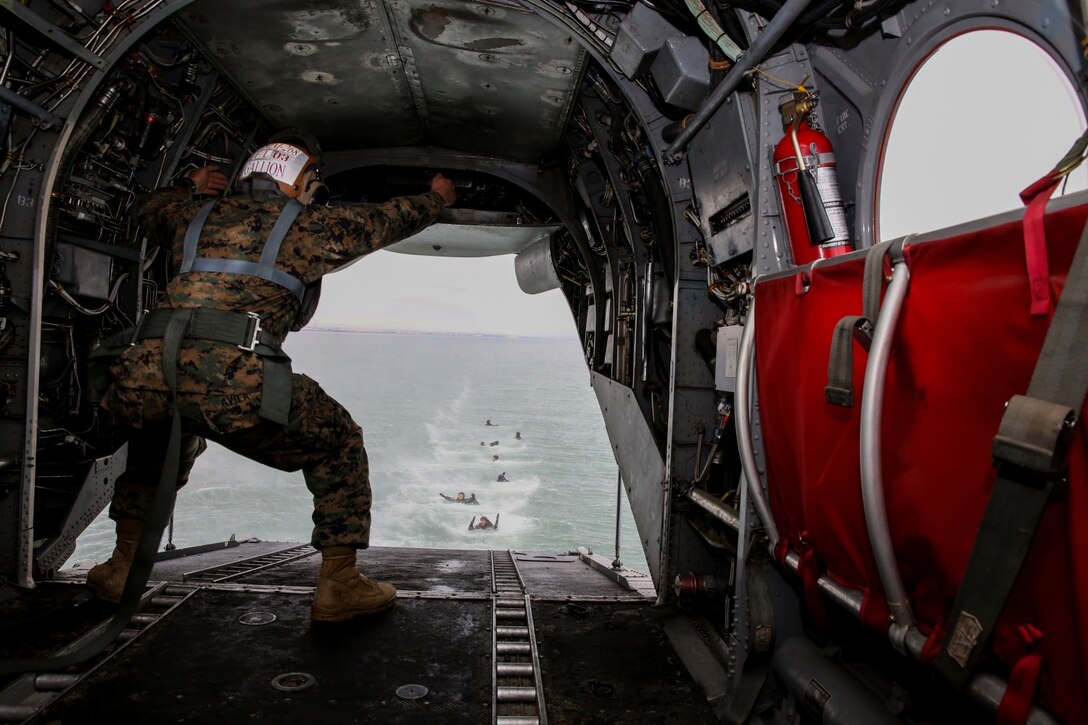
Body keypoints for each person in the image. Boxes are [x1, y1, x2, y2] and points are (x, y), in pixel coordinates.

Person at [88, 131, 456, 624]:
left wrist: (192, 184)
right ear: (302, 183)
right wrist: (436, 197)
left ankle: (122, 567)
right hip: (231, 381)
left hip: (142, 376)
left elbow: (148, 207)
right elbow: (388, 220)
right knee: (339, 442)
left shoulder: (189, 217)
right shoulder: (308, 227)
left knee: (158, 442)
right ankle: (340, 584)